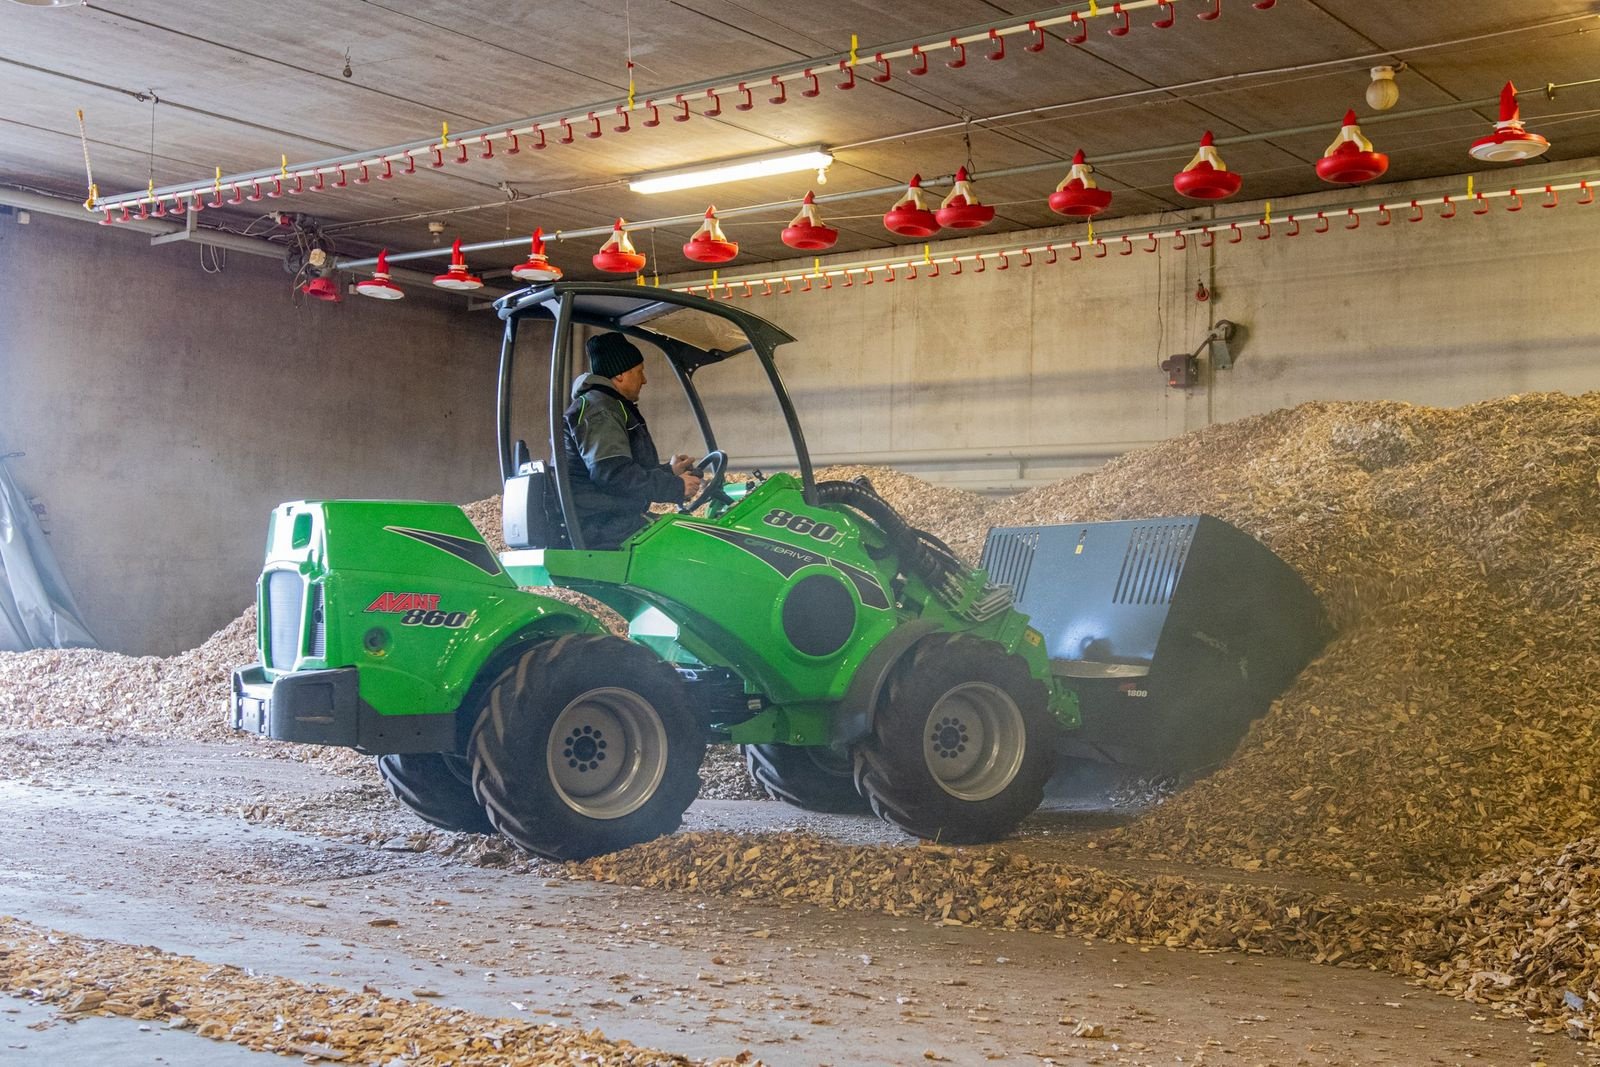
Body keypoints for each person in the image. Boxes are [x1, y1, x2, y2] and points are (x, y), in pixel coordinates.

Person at [563, 332, 702, 549]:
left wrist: (669, 471)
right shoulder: (601, 409)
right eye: (639, 372)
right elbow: (612, 474)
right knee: (694, 544)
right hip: (603, 526)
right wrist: (674, 487)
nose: (644, 380)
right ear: (620, 375)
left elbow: (621, 470)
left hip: (610, 519)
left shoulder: (607, 405)